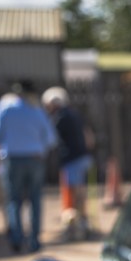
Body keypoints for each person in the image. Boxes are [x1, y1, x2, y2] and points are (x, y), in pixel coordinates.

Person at [0, 80, 56, 252]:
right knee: (35, 199)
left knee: (13, 200)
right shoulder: (37, 111)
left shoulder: (5, 109)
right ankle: (34, 240)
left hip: (12, 159)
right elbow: (50, 139)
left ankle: (16, 238)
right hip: (35, 158)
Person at [42, 86, 94, 240]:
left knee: (75, 193)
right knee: (80, 191)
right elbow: (88, 137)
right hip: (83, 156)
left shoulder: (61, 117)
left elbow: (50, 138)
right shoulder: (74, 114)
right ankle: (81, 223)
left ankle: (77, 225)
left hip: (72, 159)